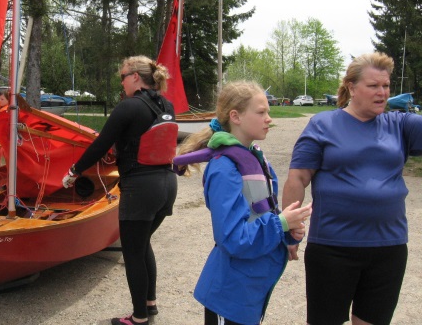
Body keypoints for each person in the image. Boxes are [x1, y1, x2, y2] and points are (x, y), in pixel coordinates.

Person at [283, 52, 422, 325]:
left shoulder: (400, 125)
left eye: (386, 86)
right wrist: (290, 230)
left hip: (389, 248)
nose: (382, 92)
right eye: (373, 86)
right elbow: (298, 178)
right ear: (351, 87)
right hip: (334, 248)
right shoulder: (323, 125)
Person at [175, 81, 311, 325]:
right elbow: (233, 237)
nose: (269, 118)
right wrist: (281, 224)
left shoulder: (257, 159)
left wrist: (290, 231)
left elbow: (262, 216)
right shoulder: (224, 169)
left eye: (268, 112)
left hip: (249, 289)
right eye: (261, 112)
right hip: (229, 294)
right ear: (235, 117)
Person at [62, 55, 178, 325]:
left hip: (141, 188)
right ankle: (149, 304)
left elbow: (100, 144)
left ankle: (138, 318)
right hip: (167, 184)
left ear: (135, 77)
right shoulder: (166, 105)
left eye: (122, 77)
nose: (121, 83)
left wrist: (74, 171)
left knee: (133, 252)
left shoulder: (129, 107)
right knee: (142, 243)